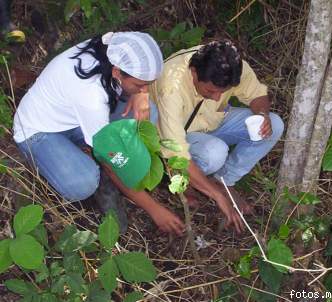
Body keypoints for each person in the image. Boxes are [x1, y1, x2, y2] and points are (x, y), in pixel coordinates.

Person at [13, 31, 185, 235]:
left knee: (148, 112)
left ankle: (89, 147)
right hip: (40, 130)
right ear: (117, 72)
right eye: (139, 84)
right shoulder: (91, 94)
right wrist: (154, 209)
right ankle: (101, 177)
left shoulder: (118, 45)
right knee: (82, 182)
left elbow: (142, 75)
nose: (144, 89)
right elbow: (110, 162)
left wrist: (142, 94)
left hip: (73, 115)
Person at [148, 40, 285, 233]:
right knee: (215, 153)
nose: (216, 97)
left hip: (214, 121)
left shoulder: (230, 66)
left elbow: (257, 95)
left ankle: (224, 181)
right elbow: (176, 151)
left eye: (223, 91)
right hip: (175, 136)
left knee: (275, 124)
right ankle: (181, 177)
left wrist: (262, 115)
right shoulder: (171, 87)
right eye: (210, 91)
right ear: (194, 73)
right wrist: (217, 197)